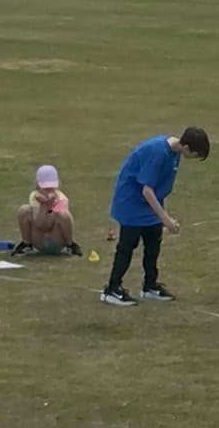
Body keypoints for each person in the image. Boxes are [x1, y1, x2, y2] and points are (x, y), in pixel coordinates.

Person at [101, 127, 209, 307]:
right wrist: (166, 219)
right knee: (127, 246)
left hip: (148, 205)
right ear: (187, 148)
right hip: (131, 202)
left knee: (153, 244)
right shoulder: (158, 152)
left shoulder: (175, 152)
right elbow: (147, 190)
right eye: (195, 154)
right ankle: (112, 289)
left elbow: (159, 187)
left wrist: (163, 216)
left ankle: (150, 286)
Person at [18, 164, 80, 255]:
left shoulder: (62, 199)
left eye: (51, 188)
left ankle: (70, 245)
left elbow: (48, 225)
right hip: (39, 238)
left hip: (56, 239)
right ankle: (26, 244)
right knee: (24, 210)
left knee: (63, 214)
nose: (48, 192)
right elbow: (39, 224)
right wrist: (43, 205)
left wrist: (48, 205)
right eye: (44, 188)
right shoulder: (34, 196)